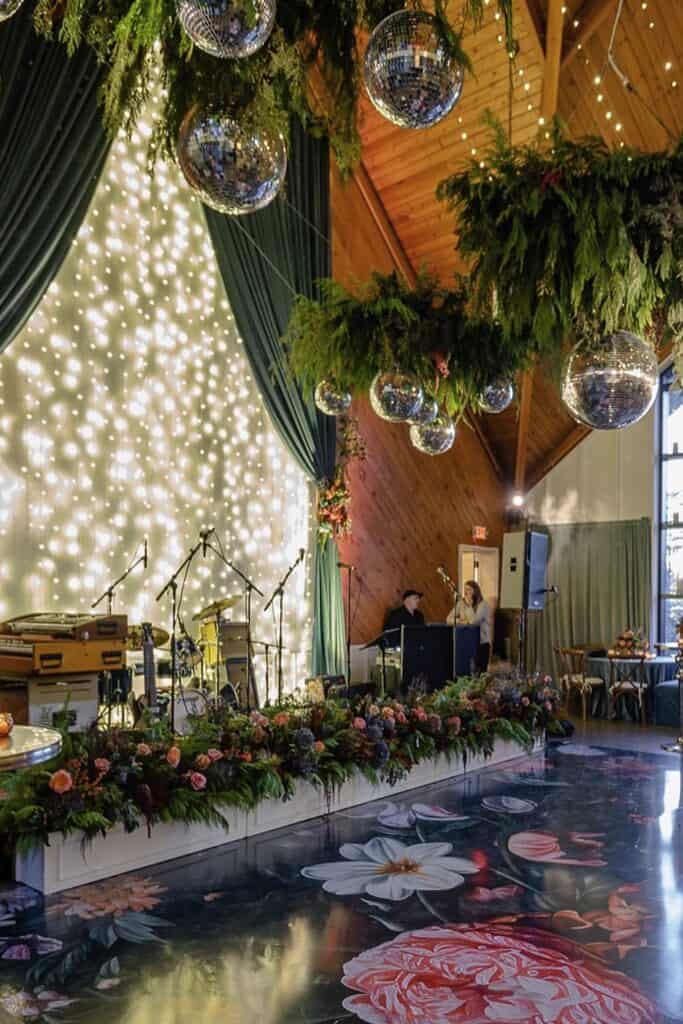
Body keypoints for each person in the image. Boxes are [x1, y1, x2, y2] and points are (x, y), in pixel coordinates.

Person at [447, 580, 491, 673]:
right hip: (466, 642)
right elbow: (449, 619)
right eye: (465, 589)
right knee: (468, 672)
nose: (466, 592)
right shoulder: (461, 604)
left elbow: (473, 622)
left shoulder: (483, 605)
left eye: (469, 589)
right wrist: (461, 621)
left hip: (481, 644)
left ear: (476, 590)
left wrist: (469, 606)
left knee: (480, 673)